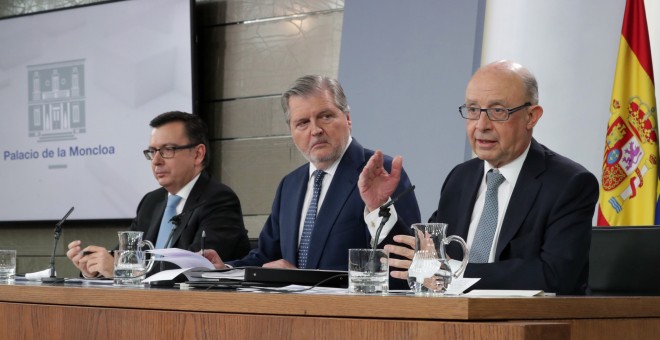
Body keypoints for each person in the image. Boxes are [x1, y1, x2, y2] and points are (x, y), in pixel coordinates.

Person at [358, 60, 599, 295]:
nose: (481, 125)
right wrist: (380, 208)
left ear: (531, 117)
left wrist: (452, 272)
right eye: (473, 110)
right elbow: (421, 260)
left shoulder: (569, 183)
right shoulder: (460, 178)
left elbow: (556, 276)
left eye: (497, 111)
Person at [203, 75, 421, 275]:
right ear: (291, 130)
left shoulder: (379, 172)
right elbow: (267, 256)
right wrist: (226, 268)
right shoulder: (290, 184)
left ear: (347, 118)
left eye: (325, 116)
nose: (315, 130)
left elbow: (405, 264)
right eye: (302, 123)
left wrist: (376, 208)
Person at [66, 111, 251, 278]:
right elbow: (122, 255)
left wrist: (119, 268)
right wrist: (94, 268)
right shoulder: (151, 202)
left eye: (167, 150)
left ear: (198, 154)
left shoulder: (219, 200)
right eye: (153, 151)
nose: (156, 161)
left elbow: (194, 268)